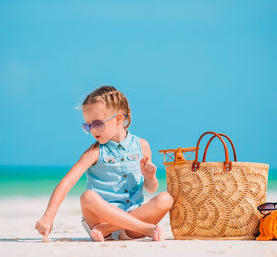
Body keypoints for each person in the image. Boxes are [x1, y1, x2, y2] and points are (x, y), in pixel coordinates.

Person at [35, 85, 173, 242]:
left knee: (165, 199)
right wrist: (48, 217)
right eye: (87, 126)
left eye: (97, 124)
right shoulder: (95, 152)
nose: (93, 130)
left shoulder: (142, 146)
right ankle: (146, 229)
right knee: (87, 197)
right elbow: (67, 182)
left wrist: (150, 177)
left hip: (129, 225)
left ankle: (110, 228)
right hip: (100, 219)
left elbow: (150, 189)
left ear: (119, 119)